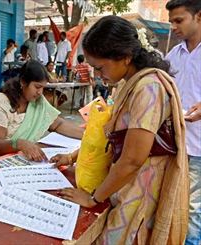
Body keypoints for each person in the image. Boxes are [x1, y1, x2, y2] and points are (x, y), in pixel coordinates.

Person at [51, 15, 189, 244]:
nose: (97, 75)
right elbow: (112, 139)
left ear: (125, 57)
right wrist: (73, 156)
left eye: (100, 67)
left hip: (139, 190)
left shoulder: (149, 89)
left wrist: (93, 199)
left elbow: (132, 160)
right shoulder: (129, 83)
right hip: (123, 185)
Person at [0, 60, 84, 162]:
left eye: (43, 88)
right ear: (23, 82)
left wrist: (86, 135)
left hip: (16, 159)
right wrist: (19, 143)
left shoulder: (38, 102)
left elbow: (58, 124)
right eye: (37, 87)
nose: (40, 92)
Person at [165, 1, 201, 244]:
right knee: (171, 204)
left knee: (193, 210)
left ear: (199, 17)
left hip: (198, 147)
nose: (174, 27)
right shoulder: (172, 56)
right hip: (173, 144)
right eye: (171, 22)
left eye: (179, 21)